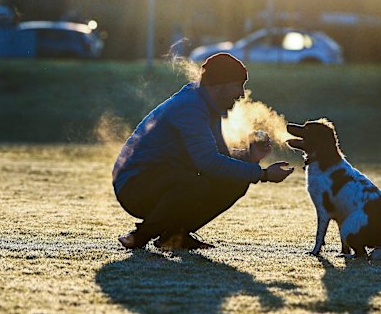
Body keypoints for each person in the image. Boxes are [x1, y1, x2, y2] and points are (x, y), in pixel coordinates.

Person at [112, 52, 294, 250]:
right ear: (220, 84)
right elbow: (208, 162)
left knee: (235, 180)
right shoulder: (190, 107)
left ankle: (175, 237)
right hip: (134, 185)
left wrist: (248, 156)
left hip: (161, 177)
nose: (242, 94)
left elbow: (217, 155)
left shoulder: (207, 105)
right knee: (195, 183)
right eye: (238, 85)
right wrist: (264, 174)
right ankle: (140, 236)